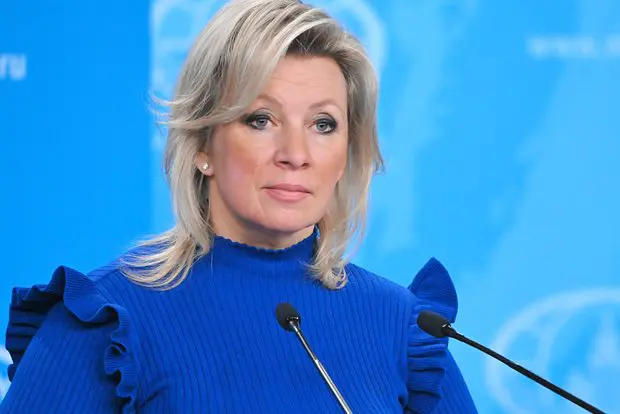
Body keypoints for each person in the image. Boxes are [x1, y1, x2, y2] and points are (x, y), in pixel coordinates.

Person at [0, 0, 478, 412]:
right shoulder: (107, 323)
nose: (296, 154)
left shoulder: (400, 325)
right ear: (202, 144)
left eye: (323, 124)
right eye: (261, 119)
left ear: (347, 154)